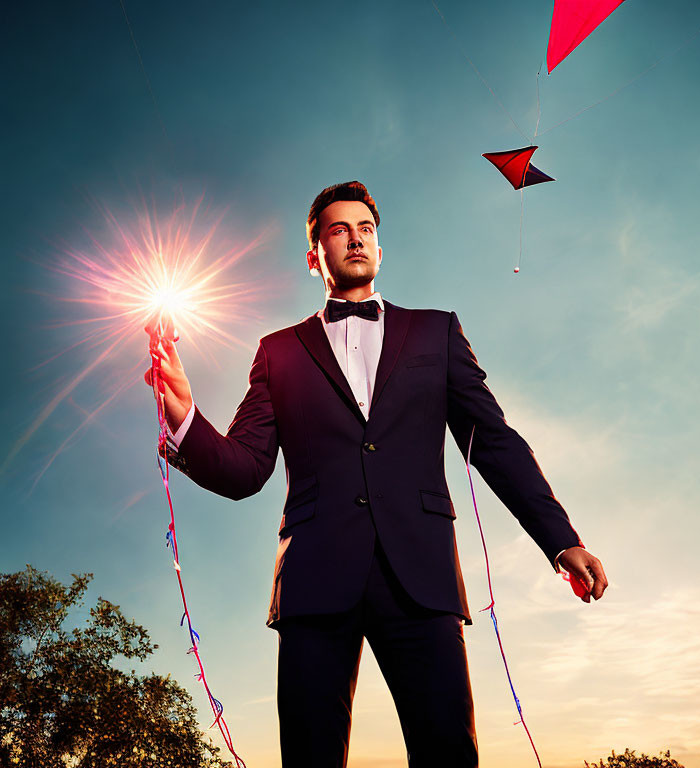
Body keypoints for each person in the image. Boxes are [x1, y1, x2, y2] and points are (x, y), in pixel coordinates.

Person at [145, 181, 608, 768]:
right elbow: (244, 470)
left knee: (448, 754)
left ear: (380, 248)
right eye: (338, 229)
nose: (355, 238)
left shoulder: (436, 332)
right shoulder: (277, 351)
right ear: (315, 255)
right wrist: (183, 412)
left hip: (421, 575)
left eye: (365, 228)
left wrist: (561, 540)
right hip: (314, 582)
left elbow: (493, 442)